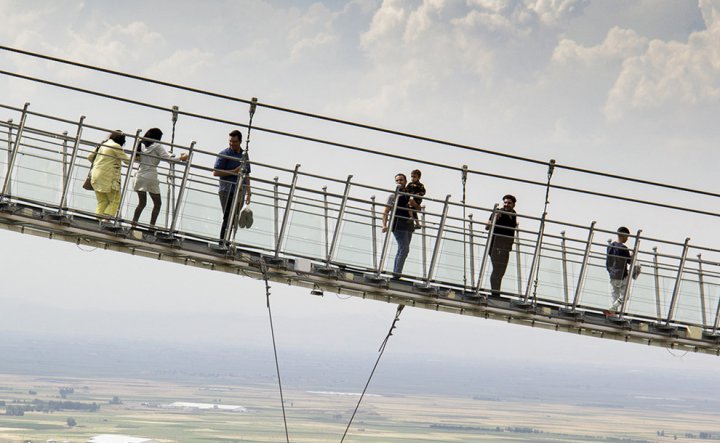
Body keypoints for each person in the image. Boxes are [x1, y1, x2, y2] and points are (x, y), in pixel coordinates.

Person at [131, 128, 188, 230]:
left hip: (139, 175)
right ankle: (151, 226)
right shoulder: (157, 146)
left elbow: (136, 158)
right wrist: (182, 158)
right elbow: (168, 159)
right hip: (151, 176)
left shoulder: (141, 144)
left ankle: (134, 224)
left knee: (142, 203)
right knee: (157, 204)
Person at [213, 129, 251, 243]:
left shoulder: (244, 155)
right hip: (226, 190)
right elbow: (216, 172)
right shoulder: (224, 154)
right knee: (228, 216)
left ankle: (227, 241)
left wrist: (249, 193)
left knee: (233, 218)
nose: (232, 144)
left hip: (239, 191)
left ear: (240, 142)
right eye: (230, 141)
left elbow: (247, 174)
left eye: (234, 142)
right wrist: (233, 171)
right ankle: (222, 242)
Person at [88, 130, 130, 219]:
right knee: (115, 200)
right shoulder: (116, 146)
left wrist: (100, 163)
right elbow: (127, 161)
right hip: (108, 178)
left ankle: (98, 221)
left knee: (102, 201)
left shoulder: (103, 144)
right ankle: (106, 221)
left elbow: (90, 157)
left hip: (95, 175)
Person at [382, 173, 414, 277]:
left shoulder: (408, 195)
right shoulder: (393, 196)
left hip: (408, 225)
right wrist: (384, 225)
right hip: (398, 225)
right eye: (397, 180)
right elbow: (386, 211)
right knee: (404, 248)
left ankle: (396, 272)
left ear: (405, 181)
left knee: (403, 249)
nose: (399, 182)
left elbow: (413, 208)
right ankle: (397, 274)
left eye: (401, 180)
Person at [485, 194, 517, 296]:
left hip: (506, 247)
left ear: (513, 205)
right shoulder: (498, 212)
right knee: (497, 270)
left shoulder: (514, 214)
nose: (506, 204)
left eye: (509, 203)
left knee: (501, 271)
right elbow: (487, 227)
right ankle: (495, 293)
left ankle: (496, 291)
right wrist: (494, 219)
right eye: (505, 202)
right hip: (496, 245)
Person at [605, 226, 632, 315]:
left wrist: (610, 271)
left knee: (614, 295)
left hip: (612, 275)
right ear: (623, 235)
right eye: (627, 237)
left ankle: (613, 312)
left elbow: (608, 261)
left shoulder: (610, 246)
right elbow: (630, 261)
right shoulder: (624, 248)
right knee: (625, 296)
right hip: (622, 275)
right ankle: (613, 308)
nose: (627, 239)